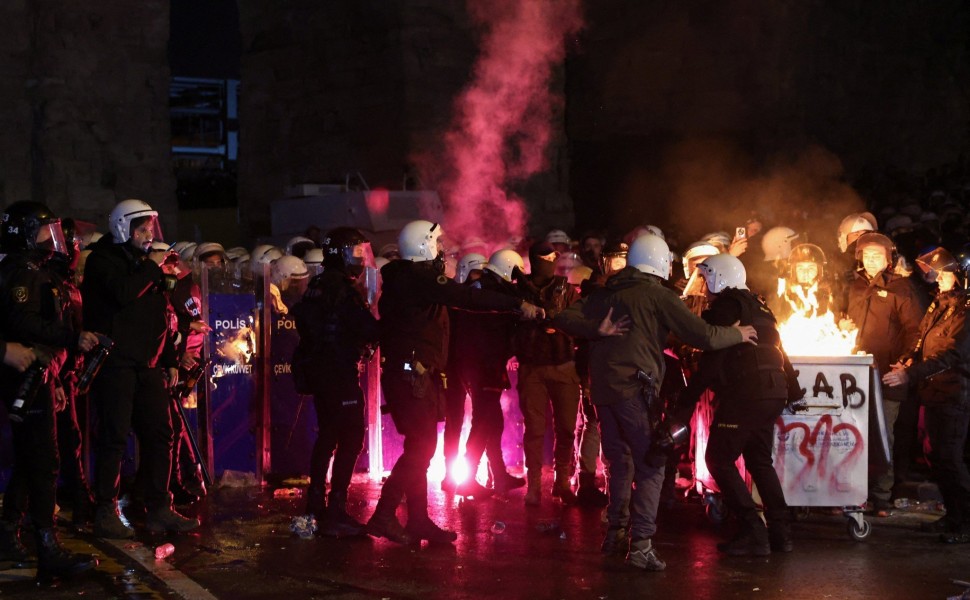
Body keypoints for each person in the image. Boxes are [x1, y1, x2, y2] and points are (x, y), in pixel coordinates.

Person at [553, 234, 756, 572]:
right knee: (651, 464)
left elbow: (562, 318)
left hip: (603, 391)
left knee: (619, 463)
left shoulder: (606, 291)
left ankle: (615, 535)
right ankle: (642, 545)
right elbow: (702, 335)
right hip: (635, 390)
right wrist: (739, 333)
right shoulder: (658, 295)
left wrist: (595, 329)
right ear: (661, 262)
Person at [365, 220, 541, 545]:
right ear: (423, 246)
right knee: (421, 448)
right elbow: (465, 297)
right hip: (412, 376)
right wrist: (515, 303)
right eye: (437, 242)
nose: (442, 248)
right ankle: (385, 514)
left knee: (420, 448)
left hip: (415, 374)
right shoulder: (417, 278)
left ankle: (417, 521)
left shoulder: (405, 280)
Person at [82, 199, 200, 538]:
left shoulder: (143, 263)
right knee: (115, 437)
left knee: (161, 434)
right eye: (143, 228)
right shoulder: (104, 261)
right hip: (116, 362)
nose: (150, 235)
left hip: (148, 364)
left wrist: (168, 360)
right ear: (124, 228)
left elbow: (160, 315)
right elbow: (123, 292)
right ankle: (106, 509)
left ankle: (159, 507)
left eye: (151, 228)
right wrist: (151, 267)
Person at [0, 201, 98, 580]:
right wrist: (73, 338)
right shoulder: (20, 272)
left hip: (38, 375)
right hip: (21, 377)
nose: (51, 238)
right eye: (43, 230)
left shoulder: (31, 271)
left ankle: (25, 535)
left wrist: (54, 377)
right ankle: (47, 548)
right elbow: (25, 323)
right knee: (43, 460)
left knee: (36, 459)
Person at [678, 254, 801, 556]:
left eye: (707, 280)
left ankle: (752, 530)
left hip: (747, 392)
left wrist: (683, 405)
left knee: (718, 459)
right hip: (773, 392)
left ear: (720, 278)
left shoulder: (728, 305)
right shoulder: (760, 305)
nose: (705, 288)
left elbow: (712, 358)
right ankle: (781, 534)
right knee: (760, 462)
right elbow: (780, 351)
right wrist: (793, 390)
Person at [291, 227, 379, 537]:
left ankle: (315, 505)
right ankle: (336, 510)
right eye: (355, 253)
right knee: (351, 436)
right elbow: (366, 327)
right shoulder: (341, 288)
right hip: (339, 373)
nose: (359, 259)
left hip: (321, 371)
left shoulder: (318, 283)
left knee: (327, 436)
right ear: (340, 254)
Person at [883, 247, 970, 543]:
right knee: (935, 456)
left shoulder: (965, 311)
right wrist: (907, 359)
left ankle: (964, 523)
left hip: (953, 393)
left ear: (960, 276)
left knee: (949, 457)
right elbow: (921, 340)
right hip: (932, 392)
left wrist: (910, 374)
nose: (938, 279)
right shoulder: (939, 305)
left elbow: (952, 354)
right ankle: (953, 516)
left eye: (944, 275)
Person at [842, 232, 924, 515]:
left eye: (878, 255)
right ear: (860, 258)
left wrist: (903, 364)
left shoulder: (902, 288)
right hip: (853, 376)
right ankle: (850, 490)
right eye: (867, 255)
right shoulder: (852, 287)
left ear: (889, 259)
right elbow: (841, 318)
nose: (872, 259)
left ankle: (880, 495)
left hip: (887, 376)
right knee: (850, 432)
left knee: (882, 435)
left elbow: (916, 331)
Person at [452, 249, 528, 498]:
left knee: (492, 421)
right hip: (484, 365)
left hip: (481, 364)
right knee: (483, 422)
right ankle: (468, 478)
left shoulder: (482, 289)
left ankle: (499, 474)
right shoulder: (488, 292)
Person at [514, 241, 583, 505]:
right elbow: (510, 324)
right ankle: (534, 485)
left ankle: (562, 481)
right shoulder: (520, 288)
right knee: (534, 429)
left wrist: (559, 322)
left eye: (554, 256)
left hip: (564, 365)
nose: (552, 260)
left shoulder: (565, 289)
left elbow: (579, 321)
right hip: (532, 367)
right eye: (547, 256)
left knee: (566, 427)